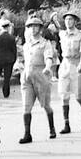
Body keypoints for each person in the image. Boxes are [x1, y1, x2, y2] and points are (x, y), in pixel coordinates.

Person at [17, 15, 57, 143]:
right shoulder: (26, 45)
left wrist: (48, 67)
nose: (33, 29)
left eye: (35, 26)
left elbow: (49, 57)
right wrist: (19, 66)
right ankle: (27, 134)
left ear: (40, 29)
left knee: (46, 105)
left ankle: (52, 128)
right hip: (27, 76)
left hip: (41, 75)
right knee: (26, 106)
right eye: (30, 27)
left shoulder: (45, 44)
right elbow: (22, 59)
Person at [0, 18, 18, 99]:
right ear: (8, 28)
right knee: (7, 78)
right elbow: (14, 50)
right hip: (9, 59)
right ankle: (6, 93)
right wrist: (14, 59)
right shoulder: (11, 38)